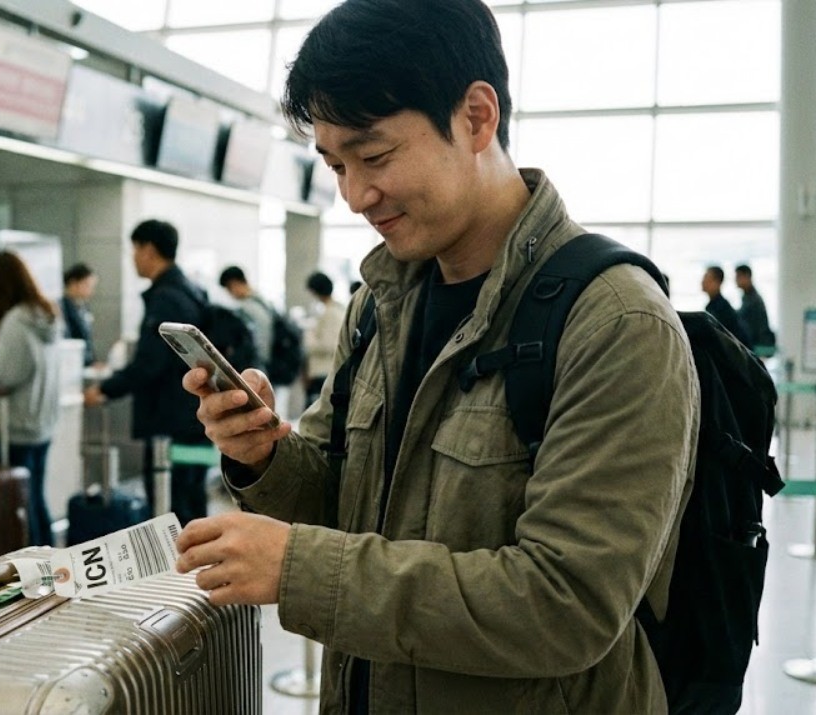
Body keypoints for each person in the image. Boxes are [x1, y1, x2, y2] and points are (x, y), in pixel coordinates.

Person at [172, 1, 700, 712]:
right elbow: (337, 500)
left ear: (477, 118)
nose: (356, 194)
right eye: (335, 164)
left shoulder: (614, 323)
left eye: (375, 154)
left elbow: (566, 605)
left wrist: (298, 568)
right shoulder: (380, 306)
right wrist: (263, 454)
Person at [83, 219, 211, 526]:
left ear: (148, 250)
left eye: (135, 249)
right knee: (191, 499)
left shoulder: (166, 297)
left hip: (170, 419)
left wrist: (107, 388)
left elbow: (151, 362)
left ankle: (180, 571)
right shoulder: (193, 291)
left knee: (171, 507)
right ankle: (197, 571)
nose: (133, 258)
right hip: (193, 414)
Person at [0, 251, 62, 547]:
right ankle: (50, 564)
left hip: (17, 426)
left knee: (20, 503)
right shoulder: (44, 315)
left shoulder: (16, 320)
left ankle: (35, 572)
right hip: (42, 423)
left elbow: (3, 375)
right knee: (36, 497)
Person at [302, 270, 345, 406]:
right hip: (325, 370)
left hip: (323, 370)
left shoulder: (331, 313)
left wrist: (308, 337)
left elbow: (329, 344)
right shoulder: (334, 310)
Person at [219, 265, 273, 368]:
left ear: (235, 283)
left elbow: (261, 339)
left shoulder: (248, 308)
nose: (230, 294)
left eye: (229, 288)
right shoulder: (263, 302)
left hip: (256, 364)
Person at [60, 262, 99, 366]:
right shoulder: (62, 308)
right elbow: (67, 339)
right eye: (87, 285)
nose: (91, 291)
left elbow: (87, 340)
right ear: (73, 283)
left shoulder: (83, 307)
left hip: (85, 363)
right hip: (72, 362)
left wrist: (93, 362)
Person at [702, 265, 751, 346]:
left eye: (706, 277)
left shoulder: (721, 308)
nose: (703, 281)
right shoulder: (714, 306)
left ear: (717, 282)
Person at [734, 264, 775, 351]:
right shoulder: (748, 297)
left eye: (738, 276)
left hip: (759, 344)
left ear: (747, 276)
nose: (736, 280)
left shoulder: (753, 299)